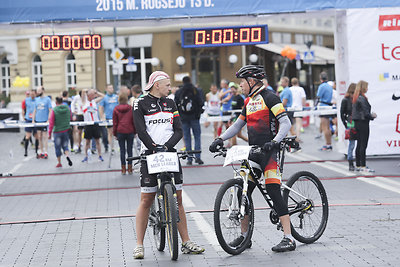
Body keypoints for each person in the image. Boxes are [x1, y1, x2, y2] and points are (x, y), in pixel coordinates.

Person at [209, 65, 295, 252]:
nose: (240, 85)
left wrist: (275, 141)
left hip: (271, 151)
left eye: (242, 81)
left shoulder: (270, 97)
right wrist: (219, 139)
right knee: (242, 191)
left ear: (252, 81)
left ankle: (289, 238)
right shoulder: (248, 102)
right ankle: (244, 237)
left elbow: (285, 122)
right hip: (254, 151)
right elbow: (237, 126)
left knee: (273, 190)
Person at [132, 70, 205, 259]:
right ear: (157, 85)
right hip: (149, 155)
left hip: (169, 154)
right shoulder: (140, 103)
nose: (170, 88)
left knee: (178, 199)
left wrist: (167, 147)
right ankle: (139, 245)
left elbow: (179, 130)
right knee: (146, 200)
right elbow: (141, 131)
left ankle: (186, 241)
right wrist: (154, 148)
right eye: (167, 85)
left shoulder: (171, 102)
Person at [175, 76, 204, 165]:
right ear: (190, 80)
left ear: (183, 82)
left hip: (183, 118)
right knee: (197, 137)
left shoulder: (179, 92)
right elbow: (201, 102)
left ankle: (189, 158)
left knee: (187, 138)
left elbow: (175, 104)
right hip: (194, 117)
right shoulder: (196, 90)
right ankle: (198, 157)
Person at [352, 80, 377, 172]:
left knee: (359, 144)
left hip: (357, 123)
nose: (367, 88)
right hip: (363, 123)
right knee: (363, 144)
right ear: (363, 88)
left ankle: (358, 165)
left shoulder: (356, 97)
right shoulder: (362, 98)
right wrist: (372, 116)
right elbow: (366, 113)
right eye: (366, 86)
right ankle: (363, 166)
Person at [113, 93, 136, 175]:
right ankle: (130, 168)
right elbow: (134, 121)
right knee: (130, 150)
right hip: (130, 131)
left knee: (122, 150)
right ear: (126, 99)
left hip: (120, 131)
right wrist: (135, 131)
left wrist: (114, 133)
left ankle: (123, 169)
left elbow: (115, 123)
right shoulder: (130, 108)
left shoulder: (116, 109)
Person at [81, 88, 105, 162]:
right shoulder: (84, 102)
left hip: (95, 123)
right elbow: (82, 91)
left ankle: (100, 155)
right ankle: (86, 156)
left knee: (97, 141)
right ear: (89, 95)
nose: (94, 96)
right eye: (93, 95)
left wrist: (96, 92)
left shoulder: (94, 101)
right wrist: (88, 90)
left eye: (94, 95)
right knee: (87, 142)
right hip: (88, 124)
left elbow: (103, 96)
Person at [48, 97, 73, 168]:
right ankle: (67, 155)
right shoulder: (67, 108)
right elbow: (70, 117)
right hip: (66, 130)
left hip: (57, 132)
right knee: (65, 145)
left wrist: (49, 133)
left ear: (56, 102)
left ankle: (59, 162)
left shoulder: (54, 110)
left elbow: (51, 122)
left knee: (57, 147)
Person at [340, 83, 357, 171]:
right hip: (351, 122)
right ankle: (351, 163)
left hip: (355, 122)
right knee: (352, 144)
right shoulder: (346, 100)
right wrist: (346, 124)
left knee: (355, 144)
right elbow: (342, 113)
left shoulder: (355, 99)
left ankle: (354, 162)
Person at [32, 86, 52, 159]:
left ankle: (46, 152)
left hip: (44, 121)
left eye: (39, 91)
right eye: (37, 91)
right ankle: (41, 151)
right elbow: (34, 110)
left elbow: (50, 110)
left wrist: (48, 120)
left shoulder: (47, 99)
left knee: (44, 136)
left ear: (43, 91)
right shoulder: (36, 100)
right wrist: (33, 120)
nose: (38, 92)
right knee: (39, 136)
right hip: (38, 120)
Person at [316, 72, 333, 151]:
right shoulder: (330, 86)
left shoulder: (321, 86)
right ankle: (329, 143)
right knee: (328, 127)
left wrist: (315, 106)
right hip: (329, 106)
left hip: (323, 106)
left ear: (320, 79)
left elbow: (318, 97)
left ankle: (327, 144)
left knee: (324, 127)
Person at [99, 84, 119, 153]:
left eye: (112, 88)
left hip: (117, 117)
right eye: (109, 88)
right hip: (108, 117)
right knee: (110, 132)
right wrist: (102, 117)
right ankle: (112, 147)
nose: (111, 89)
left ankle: (118, 146)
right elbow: (101, 107)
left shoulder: (116, 97)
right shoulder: (105, 98)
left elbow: (120, 105)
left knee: (117, 132)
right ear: (106, 89)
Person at [289, 77, 306, 146]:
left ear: (291, 83)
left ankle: (293, 136)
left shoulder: (289, 89)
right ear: (298, 82)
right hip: (299, 108)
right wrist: (303, 105)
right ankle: (297, 137)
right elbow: (303, 98)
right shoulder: (301, 89)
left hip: (291, 108)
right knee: (299, 124)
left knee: (291, 123)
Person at [23, 89, 39, 157]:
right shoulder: (26, 100)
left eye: (33, 94)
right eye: (31, 94)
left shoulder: (38, 100)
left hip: (35, 120)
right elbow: (24, 109)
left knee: (36, 136)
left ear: (35, 94)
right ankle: (26, 151)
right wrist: (24, 116)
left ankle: (36, 151)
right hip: (28, 119)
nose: (32, 95)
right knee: (28, 136)